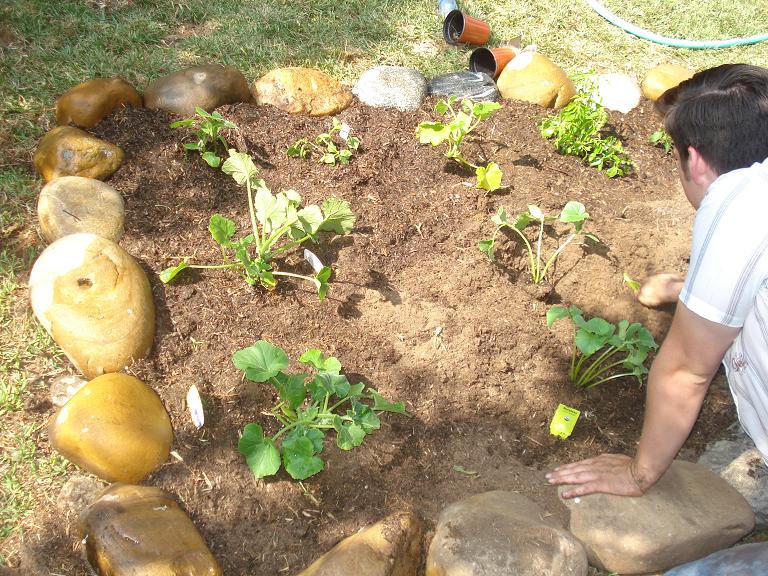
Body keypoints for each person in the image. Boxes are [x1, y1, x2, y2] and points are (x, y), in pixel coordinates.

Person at [547, 63, 768, 498]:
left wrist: (637, 473)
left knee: (698, 572)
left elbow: (687, 371)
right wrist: (688, 291)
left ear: (696, 160)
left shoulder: (739, 206)